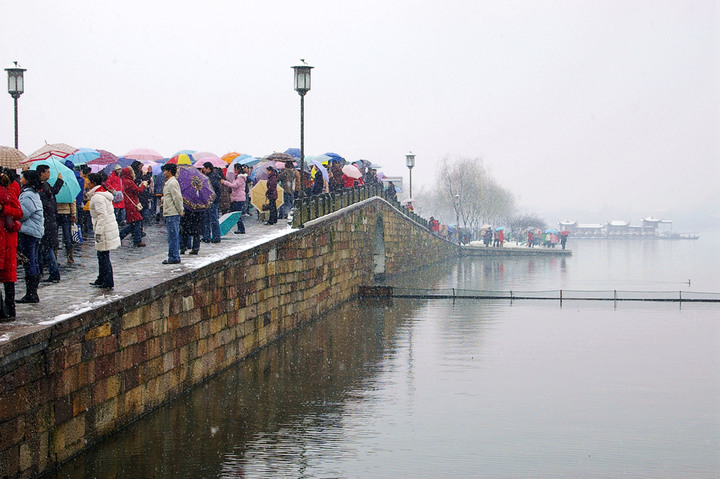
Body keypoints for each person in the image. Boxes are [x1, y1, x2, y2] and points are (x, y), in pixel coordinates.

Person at [83, 173, 120, 288]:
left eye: (88, 181)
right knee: (102, 254)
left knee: (103, 255)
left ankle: (107, 280)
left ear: (93, 183)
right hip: (106, 227)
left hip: (104, 229)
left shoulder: (97, 197)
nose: (87, 182)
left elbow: (102, 215)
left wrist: (98, 231)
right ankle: (102, 278)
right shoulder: (101, 194)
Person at [16, 170, 44, 304]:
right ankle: (32, 293)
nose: (20, 180)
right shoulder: (33, 193)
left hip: (29, 230)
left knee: (29, 261)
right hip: (35, 230)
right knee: (33, 261)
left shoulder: (27, 195)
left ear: (27, 179)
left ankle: (31, 293)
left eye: (22, 178)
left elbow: (22, 214)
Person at [0, 173, 23, 320]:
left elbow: (19, 213)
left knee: (8, 277)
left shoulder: (7, 195)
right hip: (7, 240)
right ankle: (7, 311)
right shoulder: (9, 193)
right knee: (8, 278)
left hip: (6, 241)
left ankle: (6, 311)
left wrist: (3, 208)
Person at [36, 164, 63, 283]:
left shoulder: (42, 187)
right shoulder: (41, 186)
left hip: (47, 221)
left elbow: (52, 194)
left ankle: (52, 273)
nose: (49, 174)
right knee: (46, 248)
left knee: (46, 248)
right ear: (41, 173)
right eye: (47, 172)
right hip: (49, 220)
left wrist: (59, 181)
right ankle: (49, 272)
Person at [118, 167, 147, 247]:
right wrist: (143, 186)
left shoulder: (123, 181)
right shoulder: (129, 181)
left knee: (134, 223)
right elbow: (138, 191)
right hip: (132, 204)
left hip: (128, 203)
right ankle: (136, 240)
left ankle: (121, 237)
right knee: (137, 221)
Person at [161, 163, 183, 264]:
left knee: (173, 236)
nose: (164, 173)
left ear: (169, 171)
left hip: (172, 212)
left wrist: (180, 210)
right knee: (173, 235)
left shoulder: (172, 182)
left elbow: (177, 198)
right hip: (170, 212)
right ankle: (173, 255)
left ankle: (174, 256)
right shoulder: (170, 182)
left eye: (165, 170)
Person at [221, 163, 246, 234]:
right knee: (235, 214)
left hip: (239, 199)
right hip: (236, 198)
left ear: (237, 169)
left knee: (237, 215)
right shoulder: (237, 177)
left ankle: (241, 229)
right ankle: (240, 228)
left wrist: (225, 182)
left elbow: (234, 186)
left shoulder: (240, 178)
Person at [201, 162, 222, 243]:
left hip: (212, 201)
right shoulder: (210, 176)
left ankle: (215, 237)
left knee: (213, 219)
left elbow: (215, 190)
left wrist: (214, 200)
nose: (203, 170)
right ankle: (207, 236)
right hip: (208, 201)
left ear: (208, 168)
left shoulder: (213, 177)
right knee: (207, 219)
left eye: (205, 168)